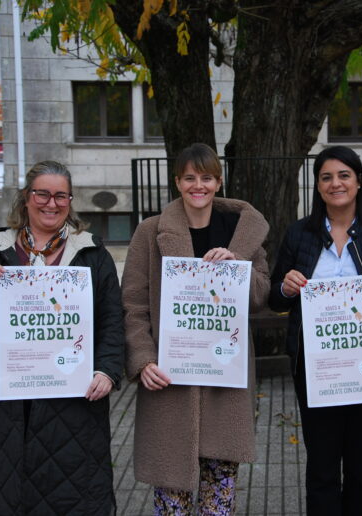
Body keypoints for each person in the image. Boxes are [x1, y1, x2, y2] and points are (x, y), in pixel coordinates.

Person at [0, 161, 125, 515]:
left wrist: (106, 370)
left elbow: (112, 320)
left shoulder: (91, 253)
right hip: (8, 401)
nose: (51, 203)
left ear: (70, 201)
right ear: (27, 197)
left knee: (73, 493)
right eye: (42, 193)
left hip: (73, 398)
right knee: (7, 491)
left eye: (61, 196)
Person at [268, 145, 362, 515]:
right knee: (321, 467)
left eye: (344, 175)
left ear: (359, 181)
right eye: (326, 177)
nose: (336, 184)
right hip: (317, 370)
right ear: (318, 187)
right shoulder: (299, 234)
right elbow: (275, 297)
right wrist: (286, 287)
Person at [122, 143, 270, 514]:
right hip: (171, 383)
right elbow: (133, 304)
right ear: (177, 182)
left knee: (218, 496)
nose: (198, 185)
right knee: (171, 497)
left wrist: (237, 268)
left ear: (218, 182)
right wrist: (143, 359)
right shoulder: (150, 232)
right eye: (190, 178)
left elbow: (260, 295)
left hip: (224, 383)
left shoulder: (241, 232)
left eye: (206, 177)